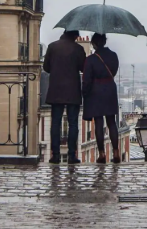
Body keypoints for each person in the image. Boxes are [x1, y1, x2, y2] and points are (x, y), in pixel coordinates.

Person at [43, 30, 86, 164]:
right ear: (74, 36)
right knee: (73, 123)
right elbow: (83, 68)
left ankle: (55, 155)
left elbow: (46, 67)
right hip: (73, 90)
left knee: (55, 122)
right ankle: (72, 155)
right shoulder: (78, 49)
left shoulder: (52, 46)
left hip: (56, 89)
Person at [82, 33, 121, 164]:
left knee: (98, 123)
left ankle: (102, 154)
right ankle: (116, 152)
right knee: (111, 122)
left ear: (94, 43)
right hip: (110, 88)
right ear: (104, 41)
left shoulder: (91, 59)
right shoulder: (114, 56)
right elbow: (114, 71)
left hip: (96, 90)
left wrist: (85, 92)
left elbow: (86, 79)